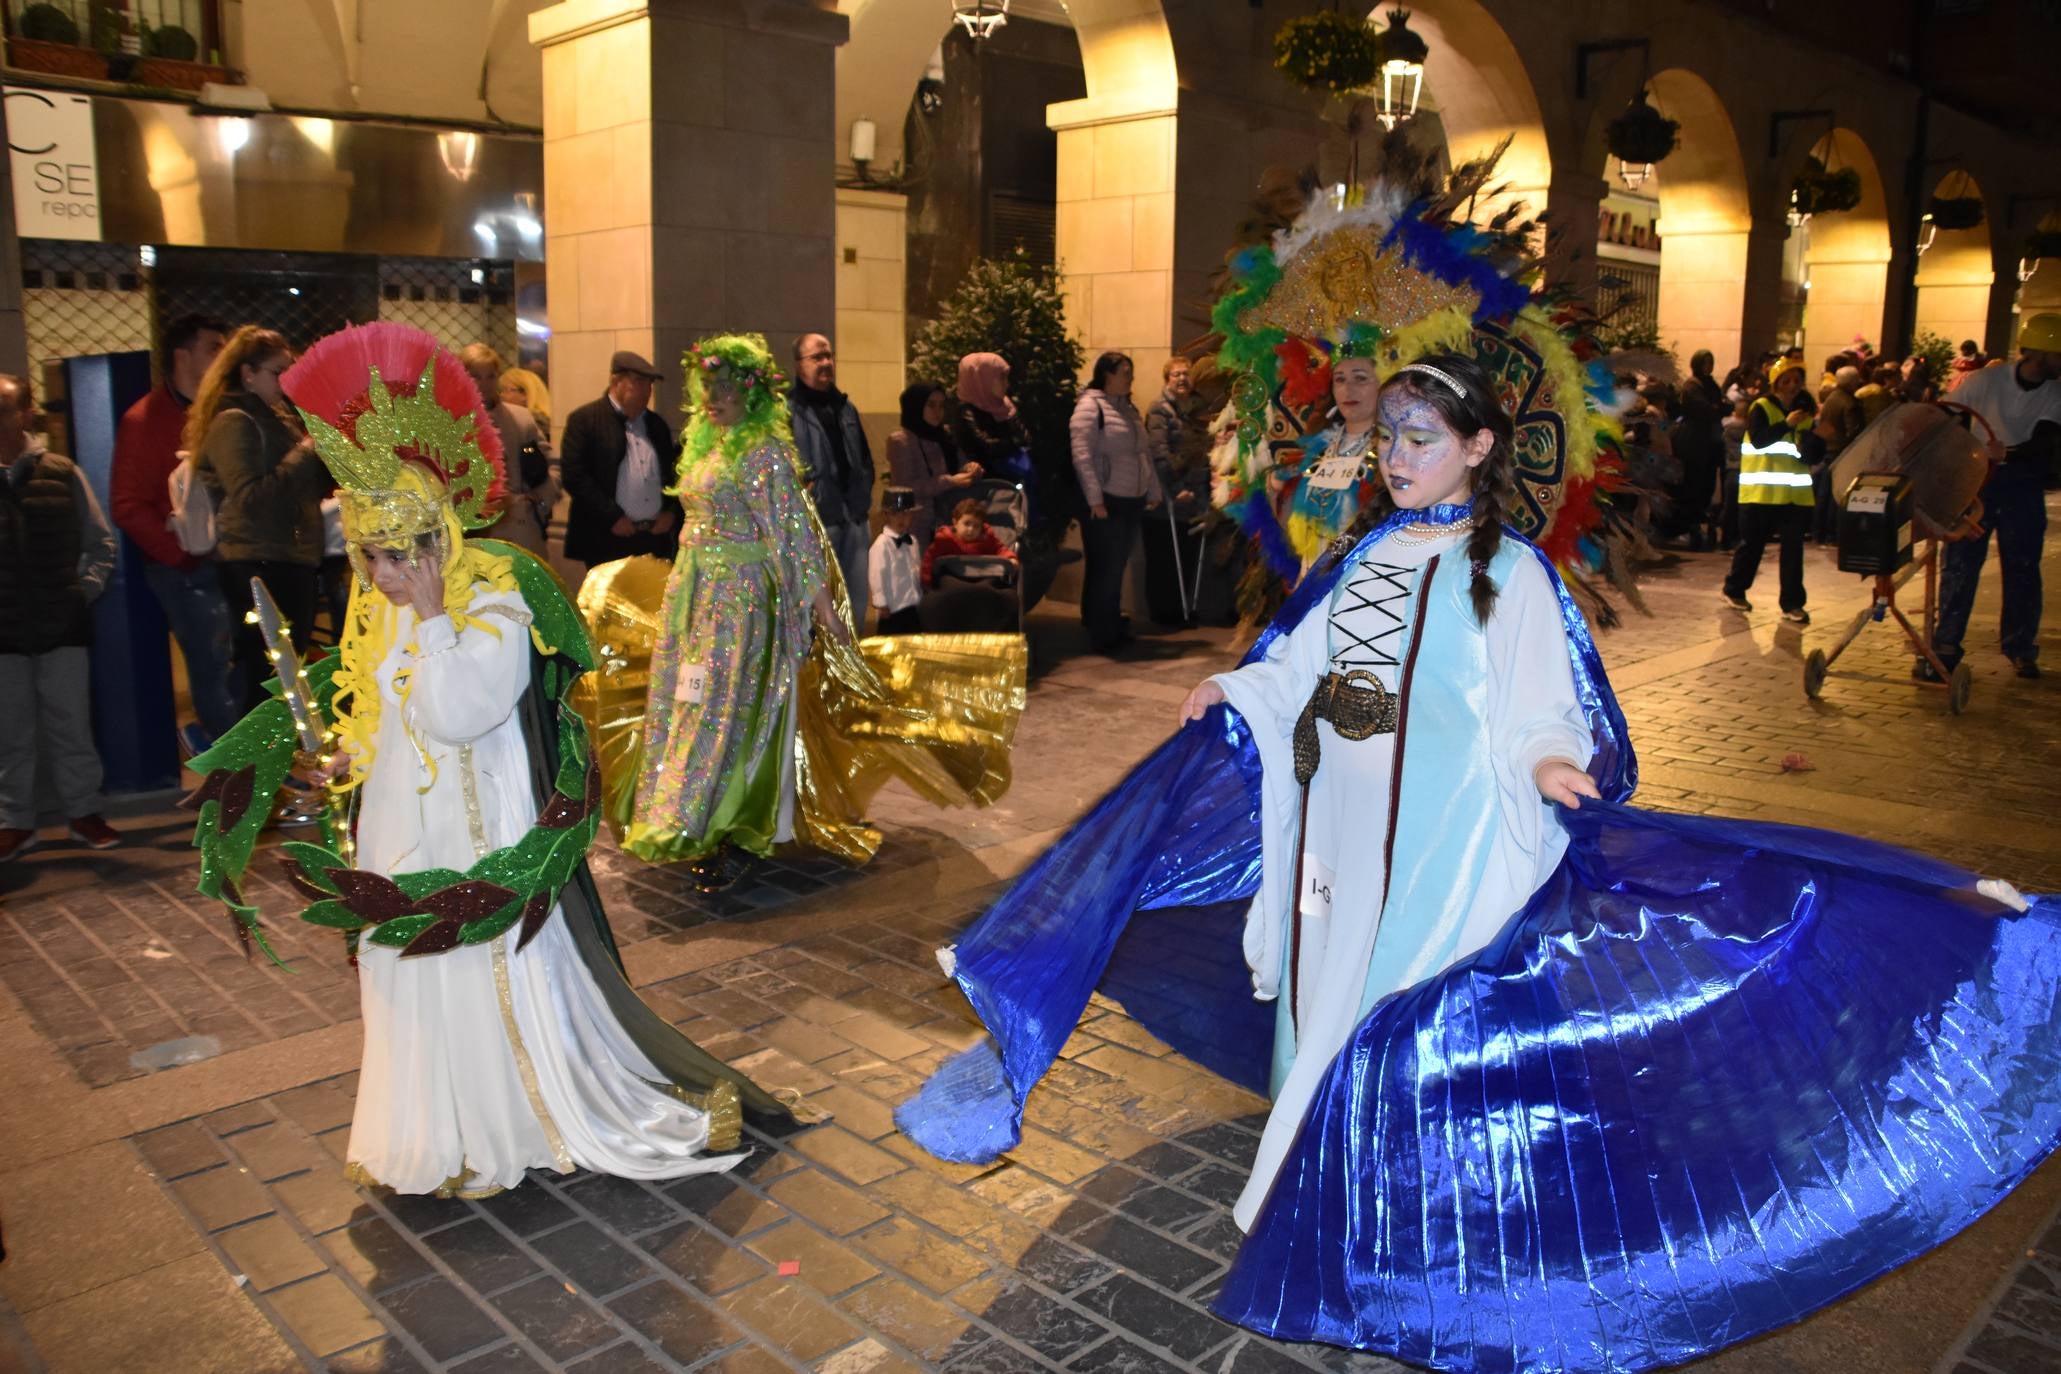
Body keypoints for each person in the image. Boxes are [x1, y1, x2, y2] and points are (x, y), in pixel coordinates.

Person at [899, 353, 2060, 1374]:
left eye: (1421, 440)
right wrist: (1239, 689)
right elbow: (1299, 664)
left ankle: (1406, 1237)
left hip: (1446, 842)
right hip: (1339, 836)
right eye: (1389, 439)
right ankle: (1300, 1177)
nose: (1398, 458)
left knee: (1403, 1018)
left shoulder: (1511, 574)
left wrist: (1556, 763)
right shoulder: (1364, 553)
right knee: (1326, 1000)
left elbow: (1543, 705)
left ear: (1478, 448)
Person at [184, 320, 776, 1196]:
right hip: (399, 823)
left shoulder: (499, 598)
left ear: (434, 543)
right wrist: (339, 760)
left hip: (477, 826)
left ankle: (509, 1117)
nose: (379, 576)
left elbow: (460, 715)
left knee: (472, 952)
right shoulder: (379, 610)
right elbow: (380, 713)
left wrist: (430, 617)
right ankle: (435, 1128)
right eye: (370, 557)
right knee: (402, 957)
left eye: (394, 557)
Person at [626, 334, 847, 885]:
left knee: (728, 712)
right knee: (692, 702)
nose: (714, 398)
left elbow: (794, 536)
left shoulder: (763, 454)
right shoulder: (709, 447)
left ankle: (728, 828)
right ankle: (686, 815)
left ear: (751, 393)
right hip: (698, 599)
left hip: (742, 604)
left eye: (726, 388)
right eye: (708, 388)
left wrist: (824, 607)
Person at [0, 374, 121, 861]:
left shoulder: (61, 472)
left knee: (71, 724)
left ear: (26, 414)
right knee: (10, 732)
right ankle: (14, 821)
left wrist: (79, 594)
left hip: (61, 626)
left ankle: (83, 811)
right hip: (3, 633)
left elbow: (101, 543)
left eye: (4, 409)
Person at [109, 311, 240, 752]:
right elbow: (128, 505)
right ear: (182, 355)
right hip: (190, 570)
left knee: (240, 666)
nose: (223, 357)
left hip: (230, 561)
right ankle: (234, 771)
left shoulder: (223, 413)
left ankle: (242, 763)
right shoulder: (146, 419)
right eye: (213, 348)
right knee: (216, 668)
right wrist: (181, 557)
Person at [188, 326, 330, 711]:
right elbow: (250, 496)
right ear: (247, 373)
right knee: (266, 672)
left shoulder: (281, 416)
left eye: (290, 370)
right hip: (256, 559)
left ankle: (278, 760)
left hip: (290, 555)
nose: (286, 380)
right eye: (277, 371)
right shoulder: (235, 421)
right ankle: (257, 765)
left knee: (287, 669)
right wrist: (304, 451)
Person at [1927, 313, 2061, 681]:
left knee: (2022, 567)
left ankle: (2020, 648)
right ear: (2041, 353)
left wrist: (2005, 455)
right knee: (1960, 565)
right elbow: (1949, 417)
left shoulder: (2055, 393)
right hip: (1978, 483)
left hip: (2022, 486)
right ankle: (1946, 648)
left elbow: (2043, 443)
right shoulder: (1984, 381)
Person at [1070, 351, 1163, 651]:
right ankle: (1102, 631)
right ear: (1107, 374)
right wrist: (1095, 499)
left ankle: (1108, 623)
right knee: (1105, 568)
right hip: (1107, 500)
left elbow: (1142, 453)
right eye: (1125, 372)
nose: (1130, 378)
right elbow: (1082, 456)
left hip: (1130, 498)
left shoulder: (1128, 409)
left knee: (1115, 566)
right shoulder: (1090, 406)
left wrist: (1153, 488)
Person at [557, 351, 682, 574]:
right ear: (616, 381)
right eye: (638, 381)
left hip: (652, 537)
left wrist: (670, 511)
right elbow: (575, 476)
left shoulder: (656, 425)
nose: (647, 390)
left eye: (650, 383)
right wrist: (612, 516)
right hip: (608, 537)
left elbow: (673, 473)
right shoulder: (585, 420)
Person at [787, 333, 876, 624]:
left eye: (829, 356)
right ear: (800, 365)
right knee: (819, 610)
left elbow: (864, 460)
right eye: (817, 358)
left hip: (854, 521)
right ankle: (820, 668)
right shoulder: (788, 411)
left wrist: (863, 495)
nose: (826, 363)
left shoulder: (846, 408)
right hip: (818, 524)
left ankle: (852, 666)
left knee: (856, 601)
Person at [1720, 356, 1815, 623]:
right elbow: (1760, 441)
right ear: (1775, 384)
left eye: (1797, 381)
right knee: (1752, 546)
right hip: (1760, 492)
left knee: (1793, 551)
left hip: (1794, 495)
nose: (1792, 386)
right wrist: (1787, 424)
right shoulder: (1761, 407)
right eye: (1787, 381)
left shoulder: (1804, 411)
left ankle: (1793, 604)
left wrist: (1812, 443)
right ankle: (1734, 589)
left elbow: (1811, 449)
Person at [461, 343, 555, 560]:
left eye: (490, 376)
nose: (484, 383)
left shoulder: (520, 418)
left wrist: (540, 500)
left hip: (521, 528)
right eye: (476, 376)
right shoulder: (448, 421)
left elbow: (550, 464)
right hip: (474, 532)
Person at [1143, 356, 1209, 625]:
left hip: (1195, 496)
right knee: (1165, 558)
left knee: (1188, 553)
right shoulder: (1159, 410)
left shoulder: (1196, 410)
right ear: (1167, 379)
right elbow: (1160, 452)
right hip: (1169, 498)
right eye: (1176, 374)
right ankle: (1164, 612)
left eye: (1186, 374)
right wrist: (1176, 487)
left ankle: (1184, 608)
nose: (1182, 379)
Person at [886, 382, 976, 544]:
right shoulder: (902, 441)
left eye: (941, 406)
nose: (938, 412)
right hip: (917, 526)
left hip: (950, 521)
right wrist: (949, 481)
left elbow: (960, 463)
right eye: (931, 405)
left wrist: (970, 468)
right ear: (916, 407)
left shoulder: (944, 435)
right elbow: (905, 488)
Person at [949, 353, 1032, 487]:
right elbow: (985, 446)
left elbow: (1024, 437)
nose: (1007, 384)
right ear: (983, 379)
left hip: (1013, 480)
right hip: (986, 486)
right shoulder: (965, 411)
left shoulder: (1005, 405)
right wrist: (1012, 443)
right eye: (1001, 378)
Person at [1669, 348, 1724, 551]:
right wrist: (1715, 408)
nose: (1708, 367)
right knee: (1693, 485)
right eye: (1705, 363)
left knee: (1706, 486)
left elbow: (1721, 406)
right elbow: (1705, 409)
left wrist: (1717, 408)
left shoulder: (1710, 385)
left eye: (1711, 363)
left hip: (1709, 443)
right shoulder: (1692, 385)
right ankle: (1689, 527)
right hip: (1694, 443)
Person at [1811, 364, 1866, 543]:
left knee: (1824, 493)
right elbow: (1854, 431)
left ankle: (1818, 531)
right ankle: (1831, 532)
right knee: (1836, 494)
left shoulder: (1832, 398)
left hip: (1828, 449)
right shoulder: (1849, 403)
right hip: (1841, 452)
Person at [869, 487, 923, 634]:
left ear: (912, 515)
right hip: (892, 609)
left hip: (911, 604)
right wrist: (881, 603)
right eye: (895, 514)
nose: (901, 519)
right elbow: (877, 575)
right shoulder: (881, 545)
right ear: (886, 515)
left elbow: (916, 569)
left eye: (906, 514)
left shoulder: (913, 541)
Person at [498, 366, 554, 442]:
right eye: (500, 391)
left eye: (505, 390)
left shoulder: (532, 425)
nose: (501, 395)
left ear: (525, 394)